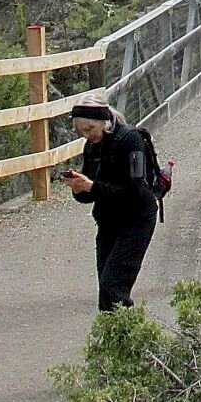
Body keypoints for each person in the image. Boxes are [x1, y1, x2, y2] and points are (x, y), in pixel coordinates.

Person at [61, 97, 157, 312]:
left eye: (91, 128)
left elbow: (135, 191)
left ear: (104, 121)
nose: (88, 135)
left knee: (113, 287)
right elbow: (90, 194)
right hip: (108, 222)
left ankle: (129, 337)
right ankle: (113, 337)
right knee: (106, 290)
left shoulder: (131, 140)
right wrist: (79, 189)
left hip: (137, 219)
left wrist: (92, 187)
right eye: (82, 131)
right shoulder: (92, 147)